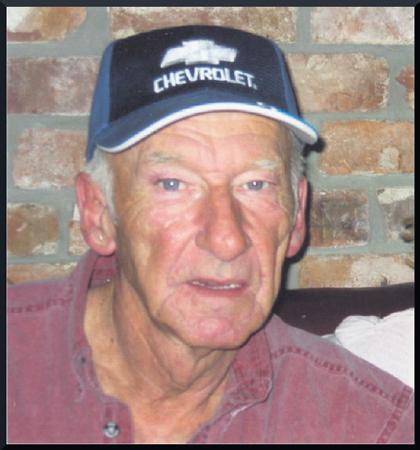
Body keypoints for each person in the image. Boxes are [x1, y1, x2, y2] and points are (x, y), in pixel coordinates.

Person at [7, 25, 413, 444]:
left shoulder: (371, 427)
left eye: (255, 185)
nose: (226, 239)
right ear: (98, 212)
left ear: (295, 219)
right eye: (172, 184)